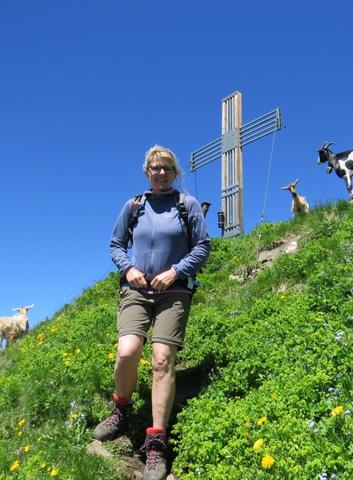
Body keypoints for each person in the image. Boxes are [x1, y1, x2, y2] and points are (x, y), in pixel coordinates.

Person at [94, 145, 211, 480]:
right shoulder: (134, 206)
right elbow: (116, 245)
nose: (161, 173)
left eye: (167, 168)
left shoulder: (187, 204)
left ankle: (156, 443)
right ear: (147, 171)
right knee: (127, 351)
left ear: (175, 172)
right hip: (136, 289)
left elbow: (203, 246)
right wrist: (129, 268)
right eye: (155, 168)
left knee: (161, 359)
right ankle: (121, 409)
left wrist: (175, 272)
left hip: (174, 291)